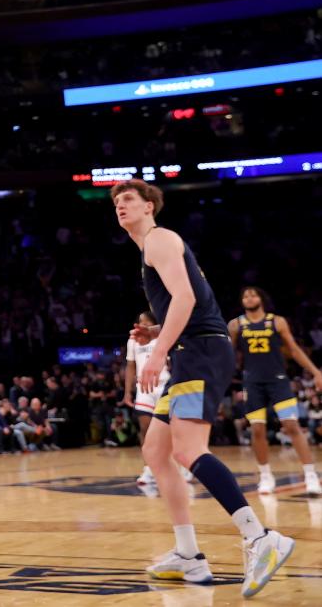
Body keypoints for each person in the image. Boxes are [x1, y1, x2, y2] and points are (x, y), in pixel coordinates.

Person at [112, 180, 294, 596]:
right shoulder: (153, 247)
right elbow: (190, 299)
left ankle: (260, 537)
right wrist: (157, 332)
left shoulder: (159, 239)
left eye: (129, 201)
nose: (120, 207)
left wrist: (157, 352)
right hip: (192, 350)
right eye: (117, 202)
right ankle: (189, 556)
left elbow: (187, 299)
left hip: (200, 353)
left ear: (150, 206)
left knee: (188, 449)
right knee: (156, 451)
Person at [228, 286, 322, 496]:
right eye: (245, 296)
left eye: (253, 294)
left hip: (278, 380)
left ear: (261, 298)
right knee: (258, 430)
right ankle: (266, 476)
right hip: (252, 382)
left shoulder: (276, 321)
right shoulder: (236, 325)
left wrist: (316, 372)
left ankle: (310, 475)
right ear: (242, 302)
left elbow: (294, 350)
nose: (249, 298)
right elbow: (228, 354)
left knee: (291, 426)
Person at [123, 310, 171, 488]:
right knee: (145, 428)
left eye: (146, 321)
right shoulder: (133, 341)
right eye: (140, 321)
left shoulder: (163, 335)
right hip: (144, 387)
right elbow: (130, 366)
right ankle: (149, 468)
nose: (142, 324)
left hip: (164, 384)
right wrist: (127, 392)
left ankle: (177, 466)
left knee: (169, 429)